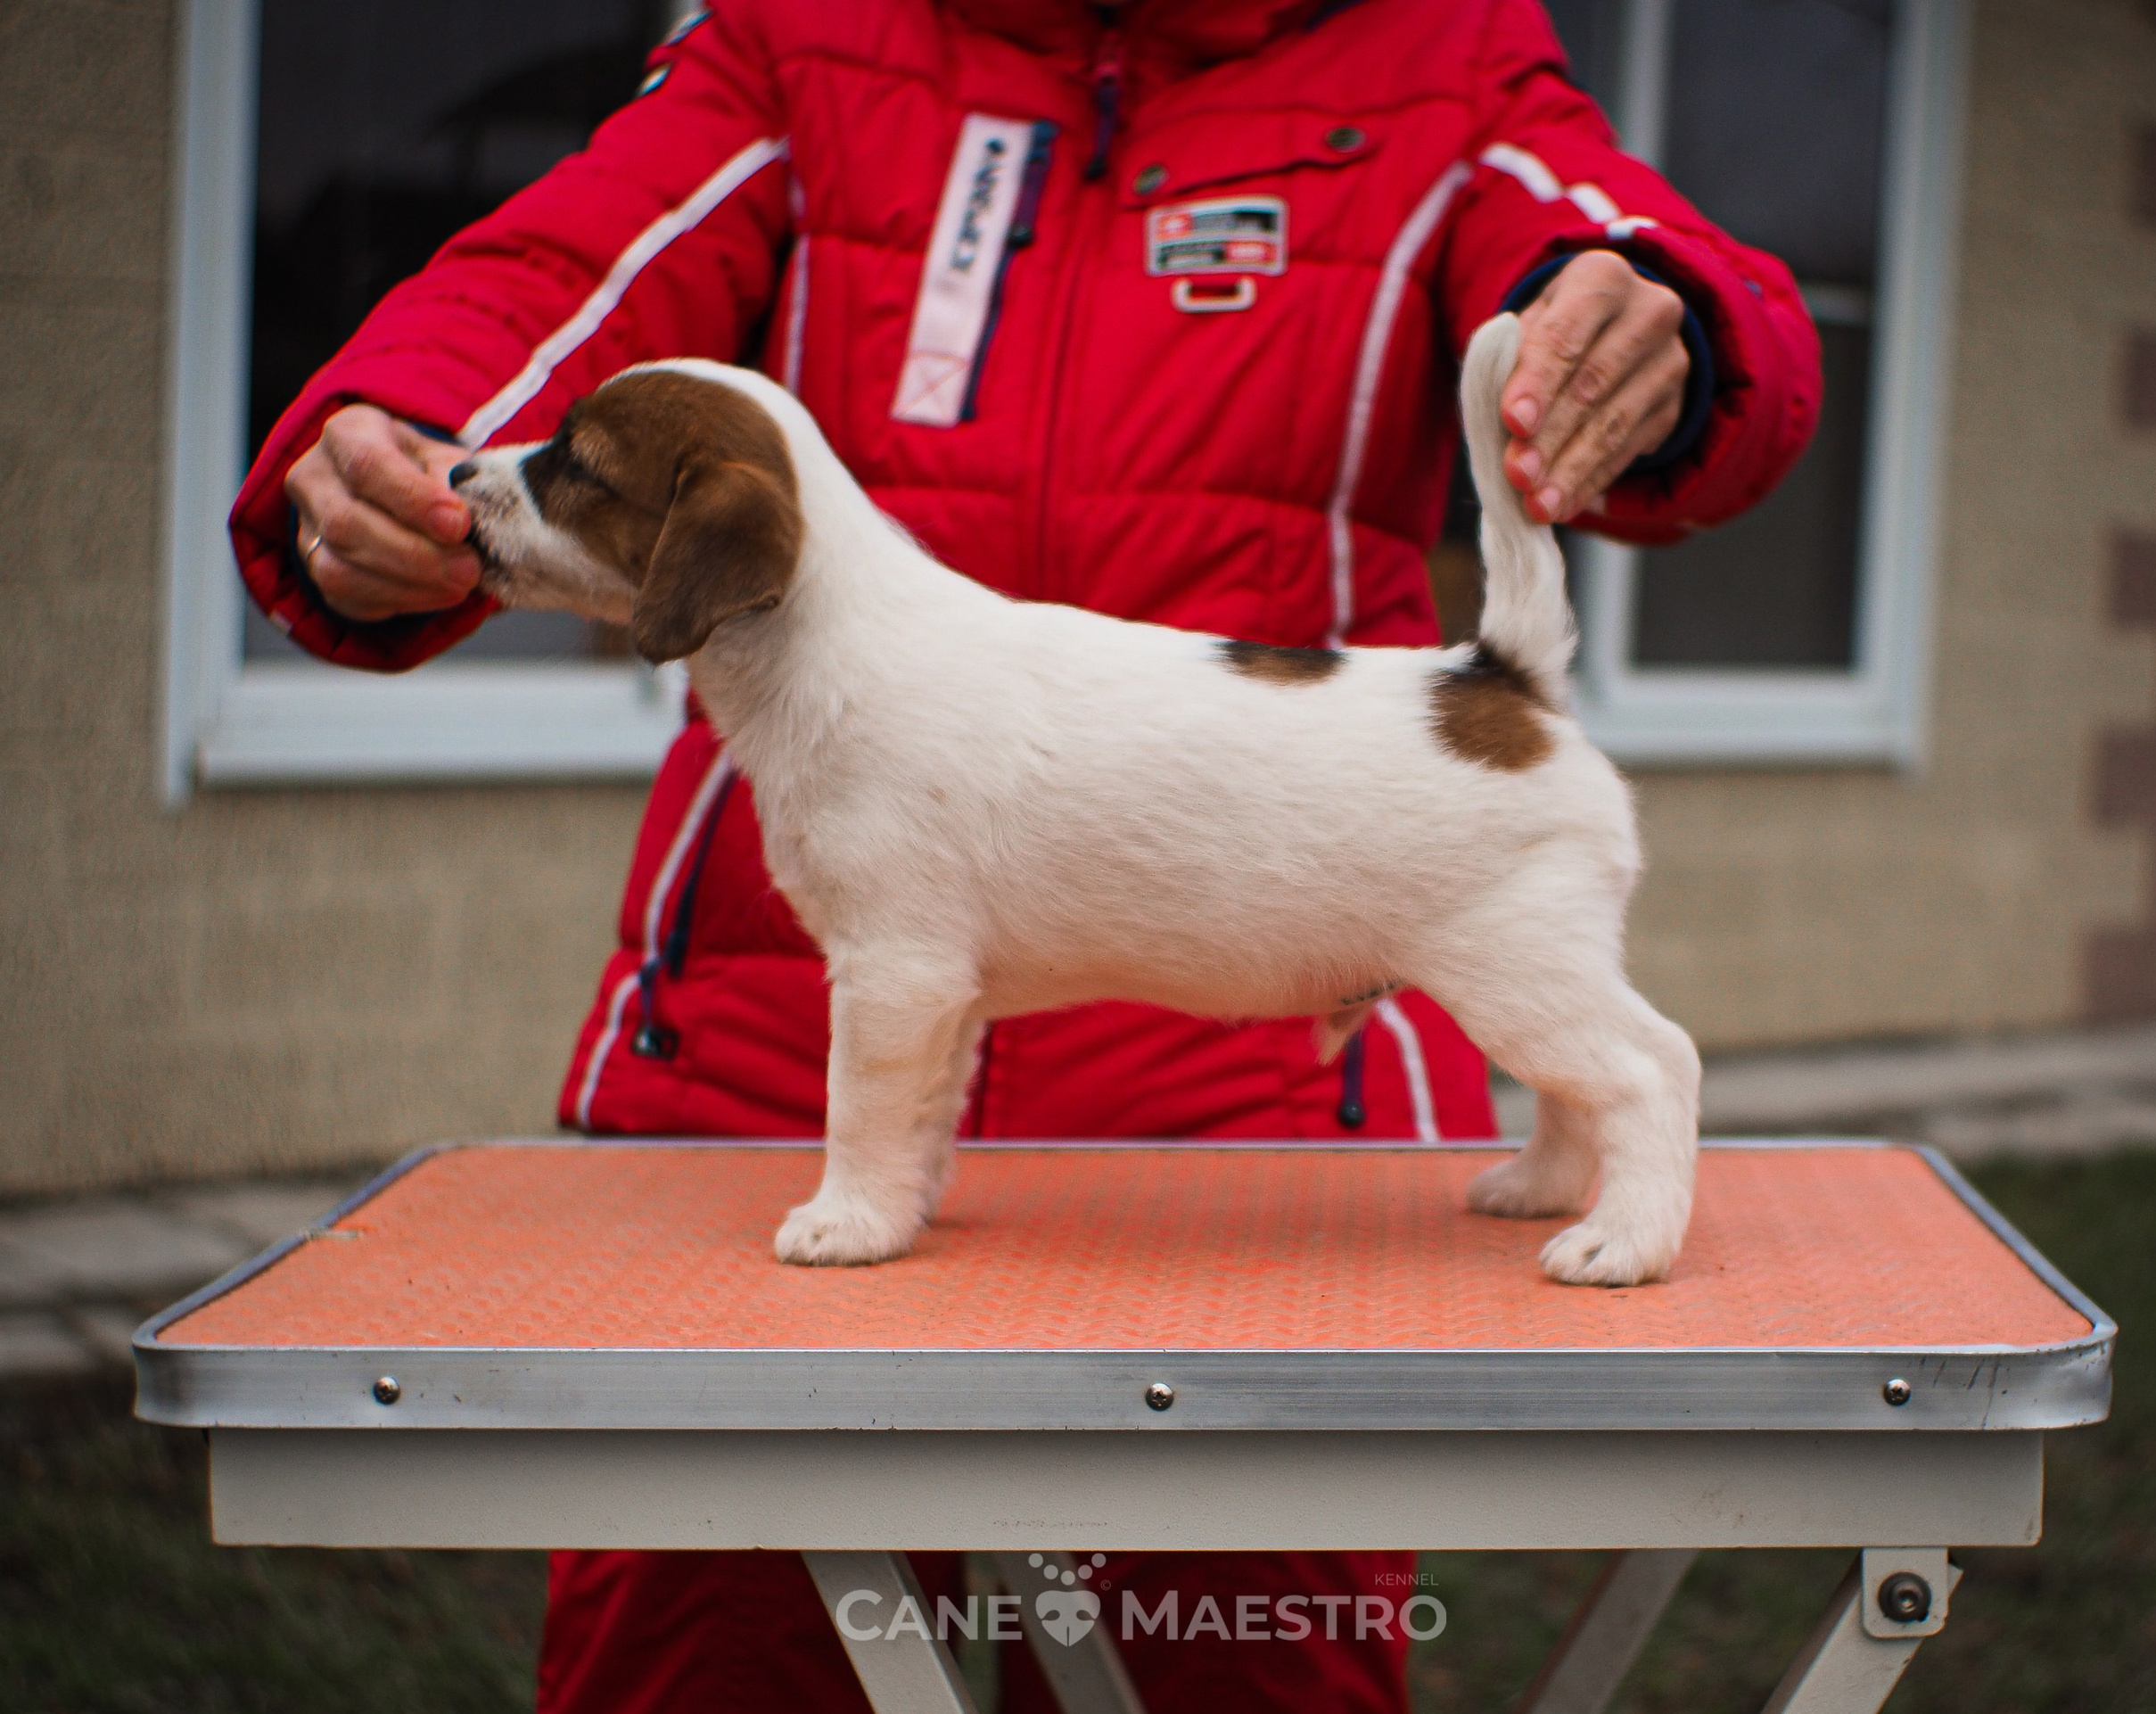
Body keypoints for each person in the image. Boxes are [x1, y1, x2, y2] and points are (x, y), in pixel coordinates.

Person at [232, 2, 1819, 1707]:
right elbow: (558, 275)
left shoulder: (1443, 46)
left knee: (1231, 1655)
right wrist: (392, 446)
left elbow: (1623, 251)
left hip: (1266, 1097)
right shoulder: (799, 38)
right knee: (723, 1638)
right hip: (754, 1073)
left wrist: (1666, 322)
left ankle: (1619, 1123)